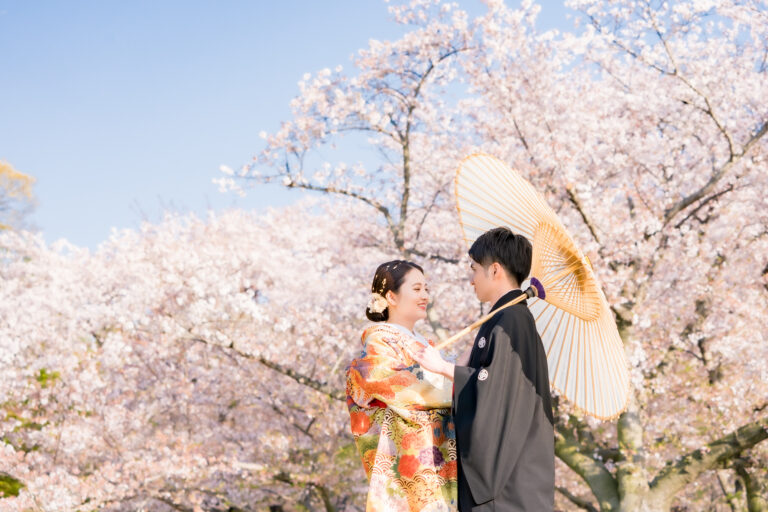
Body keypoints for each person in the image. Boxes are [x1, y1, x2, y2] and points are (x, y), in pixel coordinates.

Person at [411, 227, 554, 511]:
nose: (471, 278)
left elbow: (494, 386)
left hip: (506, 484)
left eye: (475, 269)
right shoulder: (506, 318)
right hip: (514, 478)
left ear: (495, 270)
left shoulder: (511, 320)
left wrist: (442, 368)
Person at [346, 260, 458, 511]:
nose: (425, 296)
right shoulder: (379, 341)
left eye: (426, 289)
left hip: (439, 449)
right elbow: (401, 386)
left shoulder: (424, 343)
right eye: (417, 289)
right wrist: (453, 376)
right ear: (391, 297)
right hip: (413, 458)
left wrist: (459, 366)